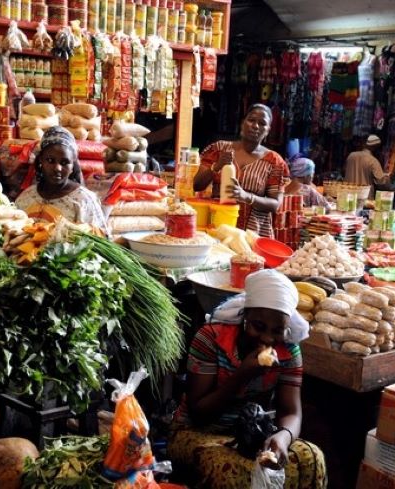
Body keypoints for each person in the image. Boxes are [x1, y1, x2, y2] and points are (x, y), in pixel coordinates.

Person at [167, 270, 326, 489]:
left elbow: (291, 412)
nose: (268, 338)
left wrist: (283, 436)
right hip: (197, 431)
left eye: (277, 330)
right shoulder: (211, 338)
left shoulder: (288, 350)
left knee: (311, 457)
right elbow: (199, 413)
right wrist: (242, 375)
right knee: (231, 470)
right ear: (245, 317)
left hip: (251, 433)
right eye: (258, 326)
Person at [193, 104, 290, 238]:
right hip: (219, 227)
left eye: (262, 123)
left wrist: (246, 196)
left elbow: (275, 204)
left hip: (252, 234)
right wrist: (217, 165)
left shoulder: (274, 161)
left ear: (268, 131)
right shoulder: (219, 149)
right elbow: (197, 185)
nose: (255, 126)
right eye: (251, 120)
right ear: (242, 123)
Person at [15, 126, 108, 232]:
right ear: (41, 160)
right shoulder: (27, 196)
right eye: (50, 160)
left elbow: (101, 237)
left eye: (64, 163)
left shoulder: (84, 200)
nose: (57, 168)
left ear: (73, 165)